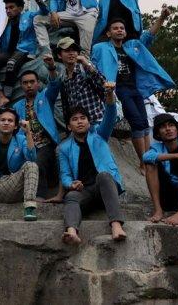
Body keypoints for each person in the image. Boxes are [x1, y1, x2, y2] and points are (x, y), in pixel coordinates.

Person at [91, 7, 175, 172]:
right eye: (115, 28)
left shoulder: (131, 46)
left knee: (144, 123)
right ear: (108, 33)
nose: (119, 30)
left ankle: (149, 158)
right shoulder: (101, 48)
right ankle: (143, 162)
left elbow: (148, 36)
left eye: (122, 28)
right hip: (118, 89)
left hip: (134, 88)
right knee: (136, 123)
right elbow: (93, 65)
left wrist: (162, 18)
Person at [59, 82, 126, 245]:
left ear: (89, 122)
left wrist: (109, 95)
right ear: (69, 126)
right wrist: (71, 184)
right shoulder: (64, 148)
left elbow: (110, 115)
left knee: (104, 175)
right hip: (85, 191)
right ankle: (72, 232)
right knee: (71, 196)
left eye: (83, 118)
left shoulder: (100, 136)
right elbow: (65, 174)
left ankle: (116, 225)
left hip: (106, 187)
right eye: (75, 119)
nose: (80, 122)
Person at [0, 0, 49, 107]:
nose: (8, 10)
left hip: (25, 51)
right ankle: (0, 95)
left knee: (11, 63)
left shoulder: (28, 16)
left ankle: (7, 97)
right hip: (8, 53)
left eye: (11, 7)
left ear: (20, 8)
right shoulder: (5, 24)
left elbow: (45, 11)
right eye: (6, 8)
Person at [12, 69, 62, 202]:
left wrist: (51, 67)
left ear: (38, 83)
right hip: (26, 145)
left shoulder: (46, 97)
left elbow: (54, 85)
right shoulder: (17, 106)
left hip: (45, 143)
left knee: (37, 163)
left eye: (32, 82)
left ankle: (39, 196)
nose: (29, 85)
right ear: (21, 85)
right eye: (25, 83)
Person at [49, 37, 107, 125]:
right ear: (59, 55)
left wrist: (87, 65)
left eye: (74, 50)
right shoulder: (64, 76)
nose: (71, 53)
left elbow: (104, 84)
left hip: (97, 121)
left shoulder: (85, 67)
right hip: (79, 126)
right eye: (67, 51)